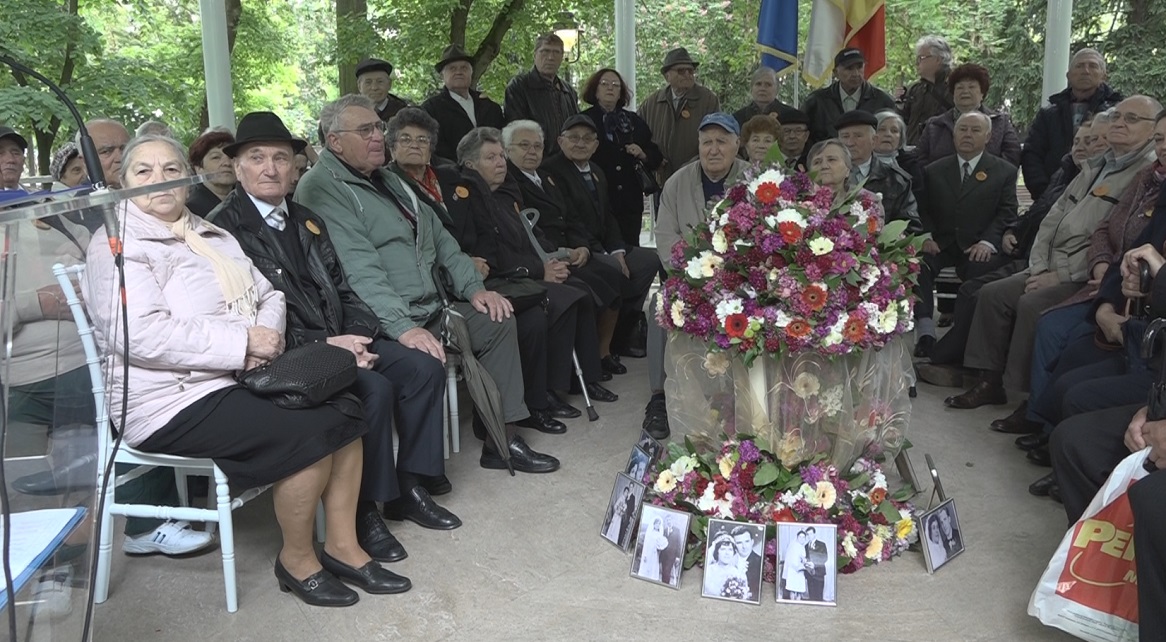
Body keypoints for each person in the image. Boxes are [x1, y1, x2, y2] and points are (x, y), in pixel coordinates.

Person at [82, 134, 410, 607]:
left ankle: (343, 547)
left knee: (346, 411)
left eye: (171, 170)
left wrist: (264, 342)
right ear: (123, 182)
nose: (159, 181)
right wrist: (241, 344)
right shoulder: (116, 245)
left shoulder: (208, 233)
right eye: (144, 171)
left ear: (188, 178)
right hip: (167, 399)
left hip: (234, 376)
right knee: (309, 432)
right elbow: (140, 336)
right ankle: (297, 561)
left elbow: (268, 294)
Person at [206, 111, 460, 566]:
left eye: (281, 158)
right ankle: (364, 511)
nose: (270, 168)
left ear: (295, 167)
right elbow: (247, 319)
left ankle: (410, 486)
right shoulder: (223, 230)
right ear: (238, 168)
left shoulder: (307, 220)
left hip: (341, 337)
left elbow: (345, 288)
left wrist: (358, 336)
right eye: (257, 158)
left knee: (422, 368)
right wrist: (329, 347)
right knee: (373, 389)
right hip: (284, 353)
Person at [294, 95, 560, 473]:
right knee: (422, 364)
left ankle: (502, 440)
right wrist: (404, 327)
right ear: (334, 141)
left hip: (431, 306)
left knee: (498, 318)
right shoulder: (321, 186)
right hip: (377, 318)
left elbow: (443, 241)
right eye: (365, 130)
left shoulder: (389, 179)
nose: (378, 137)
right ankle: (418, 477)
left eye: (378, 128)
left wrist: (475, 289)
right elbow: (359, 267)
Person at [937, 96, 1160, 410]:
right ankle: (988, 382)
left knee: (1030, 305)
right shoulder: (1097, 165)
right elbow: (1052, 217)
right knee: (991, 295)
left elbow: (1114, 240)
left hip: (1080, 274)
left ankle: (1023, 397)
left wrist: (1060, 275)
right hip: (1047, 264)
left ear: (1153, 130)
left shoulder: (1143, 173)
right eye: (1117, 117)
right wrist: (1039, 266)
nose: (1120, 123)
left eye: (1132, 119)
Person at [443, 124, 608, 425]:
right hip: (493, 280)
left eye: (501, 156)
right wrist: (539, 270)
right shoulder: (466, 199)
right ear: (470, 164)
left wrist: (551, 258)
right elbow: (491, 255)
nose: (501, 163)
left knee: (577, 293)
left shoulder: (506, 193)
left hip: (521, 272)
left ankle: (574, 381)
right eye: (491, 157)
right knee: (553, 306)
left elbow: (529, 236)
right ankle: (543, 396)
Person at [501, 119, 626, 389]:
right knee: (584, 291)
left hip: (569, 251)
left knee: (611, 274)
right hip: (546, 257)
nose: (532, 151)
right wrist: (557, 254)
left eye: (537, 146)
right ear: (507, 149)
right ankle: (580, 375)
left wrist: (582, 247)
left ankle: (600, 356)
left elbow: (570, 218)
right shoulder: (509, 182)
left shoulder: (546, 177)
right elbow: (526, 232)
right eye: (524, 145)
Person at [649, 113, 748, 440]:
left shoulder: (754, 180)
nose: (713, 149)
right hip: (689, 279)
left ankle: (747, 399)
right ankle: (659, 398)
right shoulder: (676, 183)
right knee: (659, 308)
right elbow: (666, 238)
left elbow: (764, 235)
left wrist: (730, 279)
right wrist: (695, 278)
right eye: (707, 142)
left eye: (722, 141)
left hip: (741, 281)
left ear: (737, 145)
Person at [543, 114, 661, 370]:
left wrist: (617, 249)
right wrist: (605, 254)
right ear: (560, 141)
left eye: (587, 139)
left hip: (603, 244)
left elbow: (607, 216)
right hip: (578, 248)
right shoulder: (551, 171)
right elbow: (569, 221)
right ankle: (600, 350)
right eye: (574, 138)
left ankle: (621, 333)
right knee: (612, 269)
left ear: (596, 145)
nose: (580, 143)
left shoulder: (596, 171)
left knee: (648, 261)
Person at [911, 111, 1018, 363]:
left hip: (978, 245)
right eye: (962, 129)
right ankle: (925, 332)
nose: (967, 135)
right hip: (941, 243)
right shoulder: (934, 170)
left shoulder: (1004, 171)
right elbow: (921, 208)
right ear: (954, 134)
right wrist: (926, 236)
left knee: (981, 273)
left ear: (988, 136)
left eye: (975, 130)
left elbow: (1007, 212)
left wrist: (988, 242)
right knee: (916, 265)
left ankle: (962, 336)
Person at [1022, 48, 1123, 200]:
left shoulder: (1118, 112)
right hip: (1051, 195)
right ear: (1068, 75)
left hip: (1102, 194)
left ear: (1104, 75)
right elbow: (1032, 154)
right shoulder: (1049, 114)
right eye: (1079, 66)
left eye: (1093, 66)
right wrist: (1043, 191)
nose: (1085, 71)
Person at [579, 67, 664, 247]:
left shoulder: (633, 120)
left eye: (615, 85)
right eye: (604, 84)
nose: (610, 88)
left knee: (631, 250)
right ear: (595, 90)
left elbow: (656, 156)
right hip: (596, 200)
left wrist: (642, 153)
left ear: (621, 93)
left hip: (629, 203)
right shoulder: (583, 121)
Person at [638, 47, 722, 186]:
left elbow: (717, 136)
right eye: (681, 71)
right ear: (667, 76)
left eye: (690, 71)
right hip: (662, 179)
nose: (687, 74)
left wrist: (694, 163)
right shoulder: (652, 103)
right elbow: (638, 135)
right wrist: (652, 158)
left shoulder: (707, 100)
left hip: (697, 177)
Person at [914, 63, 1022, 169]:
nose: (965, 91)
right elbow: (920, 160)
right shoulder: (934, 125)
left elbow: (1012, 157)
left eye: (971, 87)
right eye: (960, 87)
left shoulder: (1000, 122)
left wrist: (988, 176)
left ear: (982, 93)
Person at [420, 45, 506, 164]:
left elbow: (502, 141)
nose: (459, 72)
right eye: (452, 68)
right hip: (453, 171)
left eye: (464, 68)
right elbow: (434, 149)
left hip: (494, 168)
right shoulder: (431, 109)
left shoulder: (490, 107)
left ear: (471, 73)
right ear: (442, 76)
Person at [800, 48, 896, 144]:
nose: (856, 74)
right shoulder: (817, 102)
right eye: (849, 68)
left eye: (859, 67)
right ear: (836, 72)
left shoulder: (883, 101)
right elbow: (803, 136)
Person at [503, 34, 579, 156]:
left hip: (566, 158)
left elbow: (576, 127)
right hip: (533, 157)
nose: (550, 57)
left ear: (562, 57)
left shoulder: (568, 91)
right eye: (545, 51)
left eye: (556, 52)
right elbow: (516, 128)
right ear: (535, 55)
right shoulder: (520, 86)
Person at [902, 35, 954, 145]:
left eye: (921, 58)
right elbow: (902, 121)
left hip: (943, 151)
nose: (917, 63)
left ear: (938, 59)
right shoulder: (914, 89)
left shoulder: (956, 88)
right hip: (914, 151)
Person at [186, 128, 237, 217]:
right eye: (216, 157)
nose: (227, 163)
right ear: (199, 168)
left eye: (231, 157)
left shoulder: (248, 200)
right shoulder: (191, 211)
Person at [79, 118, 130, 189]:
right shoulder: (85, 196)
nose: (120, 158)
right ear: (84, 161)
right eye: (106, 151)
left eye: (125, 149)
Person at [356, 58, 409, 123]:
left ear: (389, 84)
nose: (374, 87)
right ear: (359, 86)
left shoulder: (403, 113)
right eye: (368, 82)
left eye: (380, 82)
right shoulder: (350, 112)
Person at [702, 533, 747, 599]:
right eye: (723, 549)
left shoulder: (738, 573)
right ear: (717, 551)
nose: (727, 553)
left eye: (730, 549)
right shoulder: (709, 571)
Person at [731, 525, 762, 599]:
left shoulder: (759, 562)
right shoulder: (728, 561)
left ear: (752, 542)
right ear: (734, 545)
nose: (744, 546)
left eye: (747, 541)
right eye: (739, 543)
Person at [0, 126, 29, 192]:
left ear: (23, 161)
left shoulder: (41, 197)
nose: (10, 160)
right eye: (0, 153)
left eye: (16, 153)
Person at [781, 530, 808, 599]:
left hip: (800, 571)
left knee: (799, 590)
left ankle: (798, 602)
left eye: (803, 537)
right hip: (793, 570)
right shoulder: (793, 546)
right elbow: (791, 560)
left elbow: (803, 558)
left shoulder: (802, 547)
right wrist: (799, 566)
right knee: (792, 590)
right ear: (797, 537)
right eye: (800, 537)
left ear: (805, 539)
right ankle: (792, 602)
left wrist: (804, 562)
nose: (801, 539)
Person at [804, 526, 829, 601]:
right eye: (808, 534)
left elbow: (824, 558)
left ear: (814, 534)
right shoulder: (805, 546)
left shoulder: (821, 544)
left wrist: (814, 564)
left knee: (819, 595)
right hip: (809, 574)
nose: (809, 536)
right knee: (811, 595)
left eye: (811, 534)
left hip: (819, 573)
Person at [659, 518, 684, 585]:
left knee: (667, 571)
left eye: (670, 520)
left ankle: (666, 584)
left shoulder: (677, 530)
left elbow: (679, 544)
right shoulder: (664, 530)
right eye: (667, 520)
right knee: (664, 571)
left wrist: (678, 556)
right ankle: (662, 584)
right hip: (664, 555)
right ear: (666, 521)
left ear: (672, 521)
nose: (669, 521)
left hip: (672, 556)